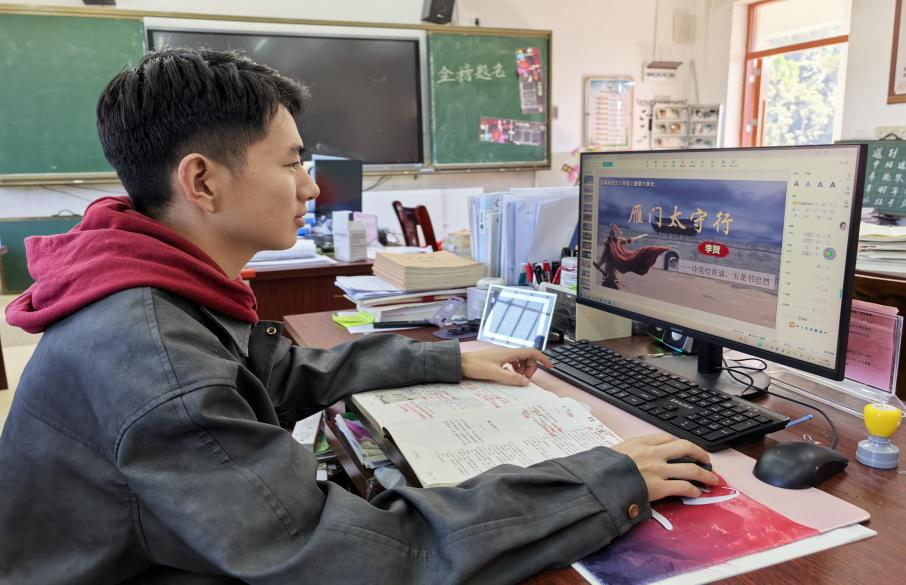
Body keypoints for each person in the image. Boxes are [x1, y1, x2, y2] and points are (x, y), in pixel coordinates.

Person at [0, 48, 717, 584]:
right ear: (202, 181)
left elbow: (277, 372)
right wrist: (601, 479)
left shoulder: (151, 283)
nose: (311, 186)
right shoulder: (154, 355)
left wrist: (449, 357)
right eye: (291, 163)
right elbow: (362, 556)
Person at [594, 223, 670, 289]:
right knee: (613, 285)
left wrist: (597, 265)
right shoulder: (610, 246)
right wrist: (599, 266)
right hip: (610, 272)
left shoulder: (614, 244)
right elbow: (601, 260)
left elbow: (627, 241)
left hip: (612, 271)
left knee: (613, 284)